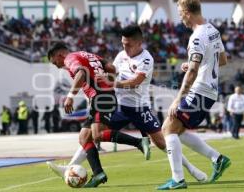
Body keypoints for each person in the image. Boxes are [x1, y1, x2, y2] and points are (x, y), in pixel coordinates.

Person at [48, 25, 208, 186]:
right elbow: (111, 69)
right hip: (119, 105)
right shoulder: (120, 56)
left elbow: (135, 82)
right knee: (88, 135)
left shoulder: (146, 59)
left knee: (160, 142)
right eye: (123, 43)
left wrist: (108, 83)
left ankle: (191, 169)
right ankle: (72, 168)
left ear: (139, 43)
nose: (124, 47)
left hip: (139, 107)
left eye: (128, 44)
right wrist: (105, 76)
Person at [46, 42, 150, 187]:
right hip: (103, 96)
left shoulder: (70, 58)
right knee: (84, 138)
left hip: (101, 97)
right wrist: (108, 80)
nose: (56, 65)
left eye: (54, 62)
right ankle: (98, 173)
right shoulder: (87, 54)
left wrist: (70, 96)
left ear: (59, 55)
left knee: (98, 135)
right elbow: (111, 67)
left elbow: (81, 74)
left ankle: (139, 142)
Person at [158, 0, 231, 190]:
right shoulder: (213, 31)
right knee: (176, 131)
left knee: (168, 129)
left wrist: (177, 100)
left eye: (181, 13)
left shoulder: (197, 36)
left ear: (188, 13)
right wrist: (192, 64)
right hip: (210, 91)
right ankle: (217, 159)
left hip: (199, 89)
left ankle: (178, 180)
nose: (180, 17)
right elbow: (223, 60)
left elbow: (192, 72)